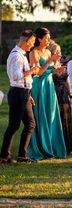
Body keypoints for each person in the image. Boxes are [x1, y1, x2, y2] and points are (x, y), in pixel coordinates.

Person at [28, 28, 66, 160]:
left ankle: (52, 146)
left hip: (49, 85)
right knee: (41, 116)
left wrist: (58, 70)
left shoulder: (49, 51)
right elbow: (37, 72)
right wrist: (50, 61)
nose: (49, 40)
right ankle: (40, 148)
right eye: (46, 38)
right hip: (39, 86)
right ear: (39, 39)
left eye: (49, 38)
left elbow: (51, 71)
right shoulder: (34, 53)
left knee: (51, 115)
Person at [1, 30, 38, 163]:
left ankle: (22, 156)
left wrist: (28, 94)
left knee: (30, 124)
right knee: (14, 125)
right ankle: (5, 156)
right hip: (18, 93)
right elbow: (16, 76)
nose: (32, 45)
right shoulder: (16, 56)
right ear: (26, 41)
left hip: (24, 93)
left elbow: (23, 79)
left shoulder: (22, 55)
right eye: (32, 42)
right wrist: (31, 71)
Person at [52, 48, 72, 155]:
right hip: (54, 95)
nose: (59, 54)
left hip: (64, 96)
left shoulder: (64, 66)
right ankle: (55, 146)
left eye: (59, 51)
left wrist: (71, 96)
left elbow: (68, 82)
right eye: (56, 52)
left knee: (66, 121)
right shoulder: (49, 66)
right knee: (57, 121)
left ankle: (68, 146)